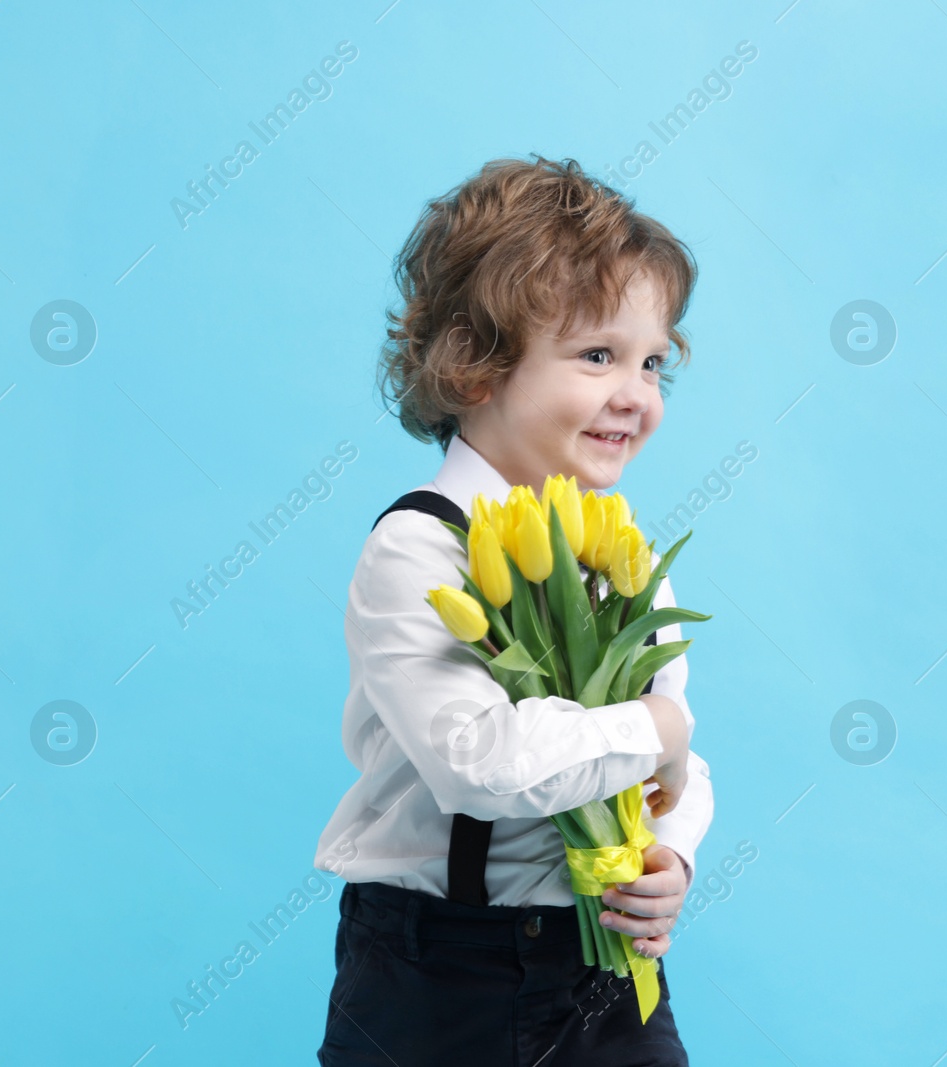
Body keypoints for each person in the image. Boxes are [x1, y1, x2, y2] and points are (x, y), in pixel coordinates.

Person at [314, 155, 713, 1066]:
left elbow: (676, 756)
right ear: (477, 367)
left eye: (654, 362)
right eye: (598, 355)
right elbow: (478, 767)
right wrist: (658, 728)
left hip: (600, 967)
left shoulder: (624, 556)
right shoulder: (418, 548)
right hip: (430, 975)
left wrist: (673, 853)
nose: (635, 393)